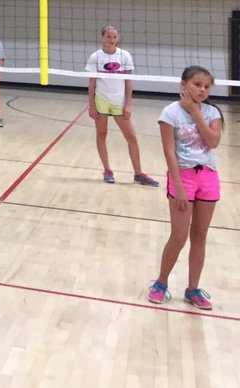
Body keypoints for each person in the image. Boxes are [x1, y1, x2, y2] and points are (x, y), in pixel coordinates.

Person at [148, 66, 223, 310]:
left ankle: (193, 289)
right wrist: (178, 185)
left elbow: (213, 142)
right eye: (197, 84)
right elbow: (169, 151)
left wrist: (195, 112)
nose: (202, 89)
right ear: (183, 85)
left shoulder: (212, 112)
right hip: (184, 177)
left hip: (208, 177)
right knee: (179, 236)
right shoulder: (170, 112)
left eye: (206, 86)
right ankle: (160, 283)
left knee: (199, 237)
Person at [86, 26, 159, 186]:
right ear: (102, 38)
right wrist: (91, 106)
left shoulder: (124, 55)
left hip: (119, 102)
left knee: (131, 137)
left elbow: (128, 82)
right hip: (101, 101)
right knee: (101, 134)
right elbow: (91, 83)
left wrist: (128, 105)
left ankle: (138, 174)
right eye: (108, 36)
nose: (111, 39)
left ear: (117, 38)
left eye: (114, 36)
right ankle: (107, 170)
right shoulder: (95, 57)